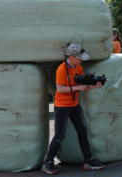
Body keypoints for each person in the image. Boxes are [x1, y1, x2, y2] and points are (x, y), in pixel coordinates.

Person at [41, 43, 105, 175]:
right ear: (70, 57)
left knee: (82, 131)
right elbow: (60, 89)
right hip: (62, 106)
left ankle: (88, 161)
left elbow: (82, 86)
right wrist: (78, 88)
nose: (81, 60)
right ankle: (47, 163)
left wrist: (94, 86)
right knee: (60, 135)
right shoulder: (62, 69)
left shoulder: (79, 68)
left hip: (74, 104)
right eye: (79, 57)